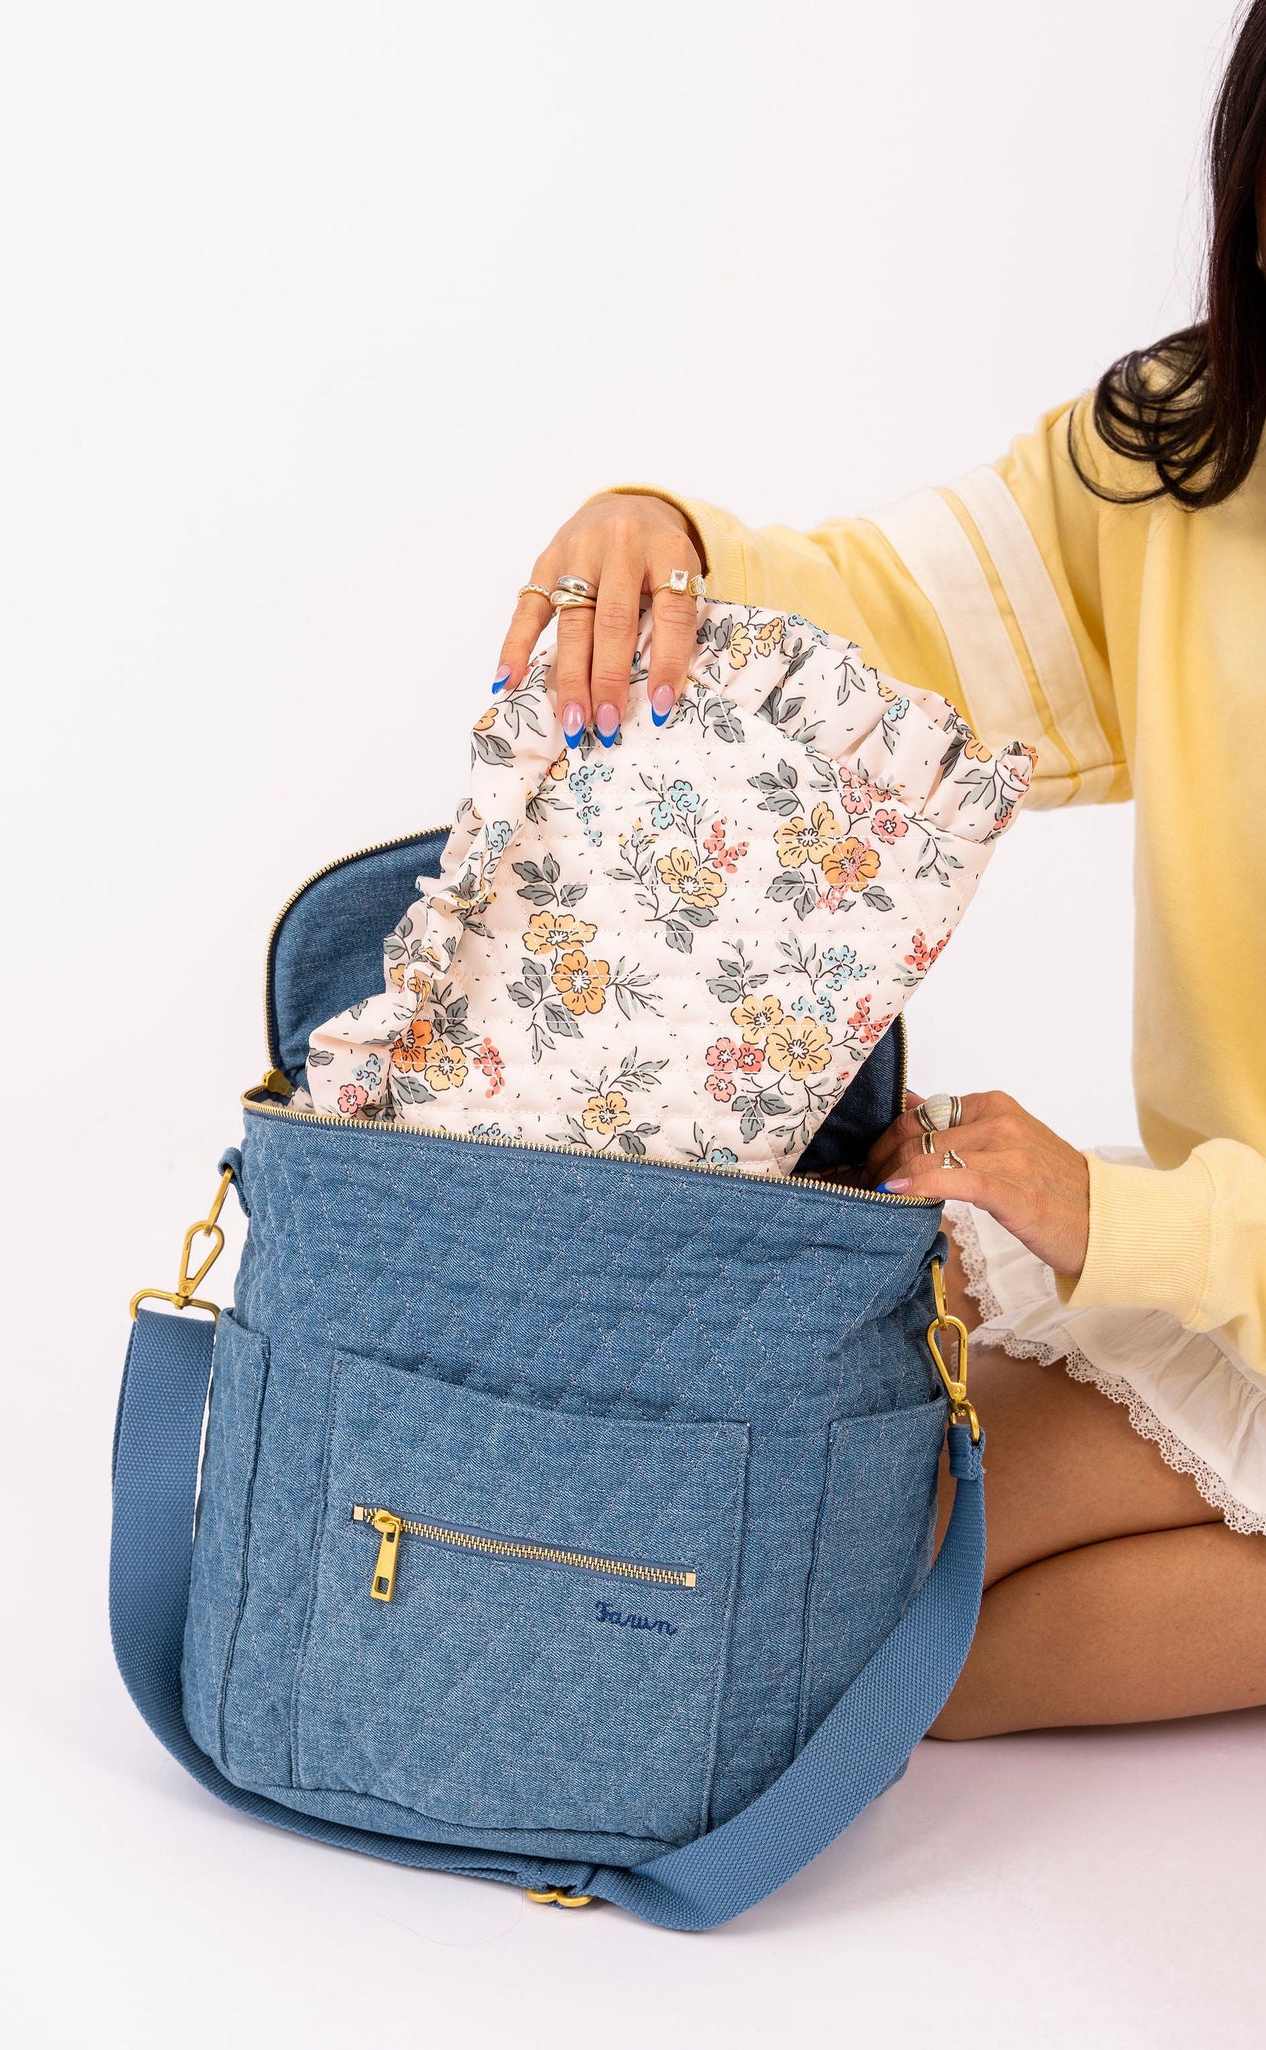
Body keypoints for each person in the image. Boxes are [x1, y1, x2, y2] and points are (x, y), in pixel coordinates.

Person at [489, 5, 1266, 1739]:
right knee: (835, 1569)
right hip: (1225, 1268)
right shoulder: (1187, 448)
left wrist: (1117, 1215)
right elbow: (897, 615)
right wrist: (669, 538)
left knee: (866, 1670)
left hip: (1214, 1240)